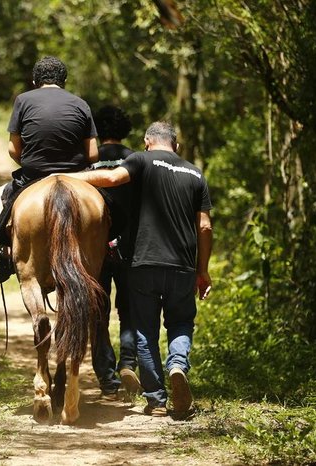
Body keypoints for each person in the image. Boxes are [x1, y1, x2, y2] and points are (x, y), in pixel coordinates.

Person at [63, 121, 212, 419]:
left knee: (145, 330)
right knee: (181, 322)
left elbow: (113, 177)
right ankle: (178, 365)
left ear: (146, 142)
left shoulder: (141, 160)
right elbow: (205, 226)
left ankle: (156, 400)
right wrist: (203, 270)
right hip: (182, 264)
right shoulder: (195, 173)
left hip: (143, 263)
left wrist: (65, 176)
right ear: (176, 145)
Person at [0, 55, 99, 285]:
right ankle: (111, 254)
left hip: (33, 175)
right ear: (64, 80)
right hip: (76, 176)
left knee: (1, 195)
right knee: (109, 210)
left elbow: (12, 148)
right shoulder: (81, 103)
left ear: (35, 80)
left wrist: (30, 163)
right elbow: (93, 154)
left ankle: (6, 254)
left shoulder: (23, 100)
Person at [88, 105, 140, 398]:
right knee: (129, 310)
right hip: (131, 247)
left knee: (98, 313)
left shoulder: (87, 161)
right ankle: (128, 363)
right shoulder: (137, 159)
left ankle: (107, 379)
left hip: (94, 250)